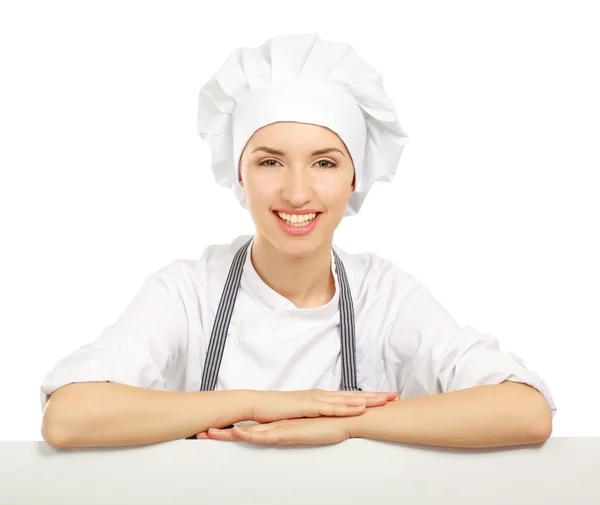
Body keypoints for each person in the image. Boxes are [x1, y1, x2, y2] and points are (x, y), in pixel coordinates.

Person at [40, 33, 556, 449]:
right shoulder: (187, 292)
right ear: (238, 174)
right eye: (269, 161)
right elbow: (69, 418)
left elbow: (524, 411)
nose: (297, 191)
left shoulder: (384, 296)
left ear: (355, 176)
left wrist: (346, 424)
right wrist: (264, 403)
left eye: (325, 162)